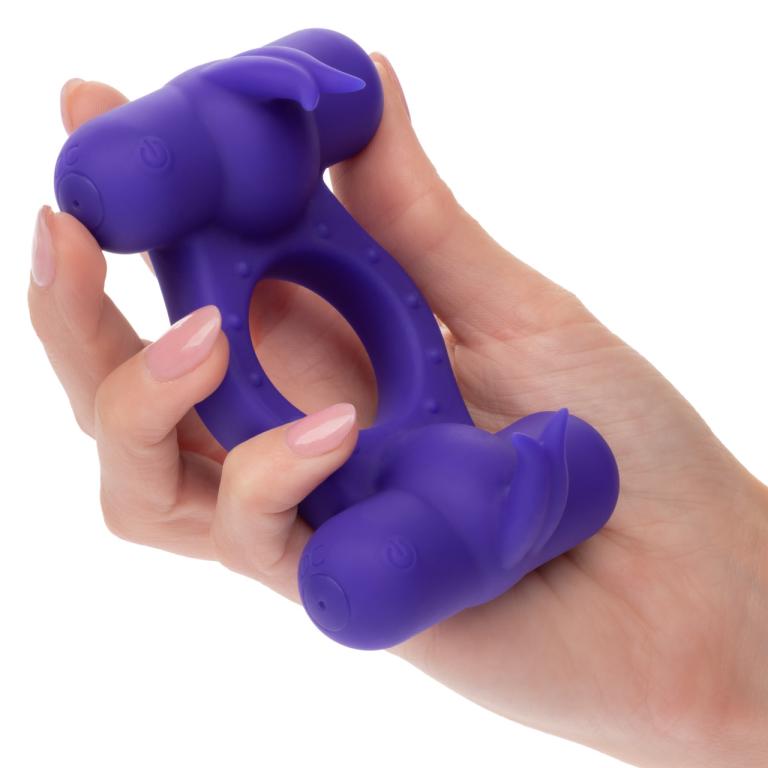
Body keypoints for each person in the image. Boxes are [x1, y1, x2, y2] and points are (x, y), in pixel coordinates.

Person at [28, 53, 768, 767]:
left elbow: (338, 87)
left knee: (377, 562)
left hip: (446, 473)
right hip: (459, 478)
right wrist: (717, 690)